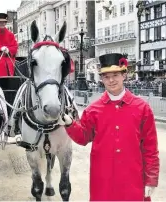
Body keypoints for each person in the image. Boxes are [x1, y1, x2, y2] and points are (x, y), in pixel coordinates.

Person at [59, 53, 160, 201]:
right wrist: (70, 124)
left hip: (132, 180)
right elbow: (83, 137)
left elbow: (150, 148)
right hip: (103, 182)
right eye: (106, 76)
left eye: (115, 75)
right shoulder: (93, 110)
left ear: (124, 75)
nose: (111, 80)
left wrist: (151, 179)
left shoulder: (142, 108)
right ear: (101, 79)